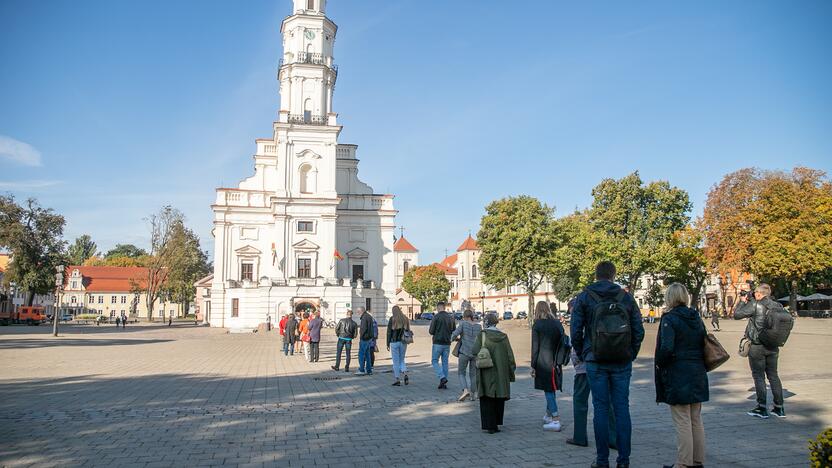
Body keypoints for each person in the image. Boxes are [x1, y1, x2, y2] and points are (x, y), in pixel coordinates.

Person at [571, 261, 645, 468]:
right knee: (622, 409)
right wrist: (631, 353)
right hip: (622, 360)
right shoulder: (626, 297)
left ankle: (602, 460)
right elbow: (639, 330)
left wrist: (583, 352)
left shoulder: (585, 297)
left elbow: (575, 331)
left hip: (595, 360)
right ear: (613, 275)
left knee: (600, 409)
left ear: (596, 275)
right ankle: (624, 460)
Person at [655, 283, 709, 468]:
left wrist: (659, 363)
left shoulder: (670, 318)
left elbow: (666, 348)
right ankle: (698, 460)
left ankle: (683, 463)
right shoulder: (696, 317)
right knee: (696, 418)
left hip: (678, 373)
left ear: (669, 297)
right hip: (697, 371)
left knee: (682, 420)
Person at [734, 283, 786, 419]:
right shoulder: (777, 306)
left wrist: (741, 302)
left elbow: (737, 315)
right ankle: (779, 408)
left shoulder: (756, 305)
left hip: (757, 346)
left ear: (758, 294)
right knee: (773, 375)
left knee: (759, 376)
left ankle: (761, 408)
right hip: (773, 345)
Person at [472, 312, 516, 434]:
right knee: (499, 397)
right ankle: (496, 423)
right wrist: (511, 371)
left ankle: (489, 424)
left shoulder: (482, 335)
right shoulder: (504, 336)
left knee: (486, 396)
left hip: (486, 371)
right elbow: (510, 356)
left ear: (486, 322)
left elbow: (474, 350)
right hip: (501, 372)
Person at [531, 301, 565, 432]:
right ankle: (548, 414)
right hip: (556, 361)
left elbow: (535, 347)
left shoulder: (538, 325)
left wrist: (533, 365)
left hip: (543, 362)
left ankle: (555, 419)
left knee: (549, 390)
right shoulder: (557, 323)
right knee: (551, 388)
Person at [451, 308, 482, 401]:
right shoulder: (479, 327)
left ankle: (465, 390)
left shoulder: (463, 324)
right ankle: (475, 393)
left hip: (464, 352)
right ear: (472, 317)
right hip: (475, 353)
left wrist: (451, 339)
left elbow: (455, 334)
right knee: (473, 374)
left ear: (465, 317)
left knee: (461, 372)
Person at [429, 301, 456, 389]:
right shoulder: (451, 317)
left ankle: (442, 377)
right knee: (445, 363)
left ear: (438, 308)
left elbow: (431, 331)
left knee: (434, 361)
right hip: (447, 343)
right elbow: (454, 330)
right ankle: (443, 383)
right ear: (444, 308)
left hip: (437, 342)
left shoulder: (436, 317)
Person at [387, 306, 411, 386]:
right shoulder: (405, 318)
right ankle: (405, 374)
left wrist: (387, 343)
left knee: (395, 362)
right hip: (403, 341)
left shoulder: (392, 319)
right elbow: (408, 330)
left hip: (394, 342)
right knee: (402, 360)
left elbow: (389, 332)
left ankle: (397, 379)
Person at [355, 307, 374, 375]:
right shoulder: (369, 316)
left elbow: (363, 329)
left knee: (361, 354)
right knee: (367, 354)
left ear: (361, 311)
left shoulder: (364, 317)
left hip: (365, 338)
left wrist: (361, 336)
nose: (357, 313)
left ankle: (361, 369)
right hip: (369, 338)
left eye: (358, 312)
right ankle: (369, 370)